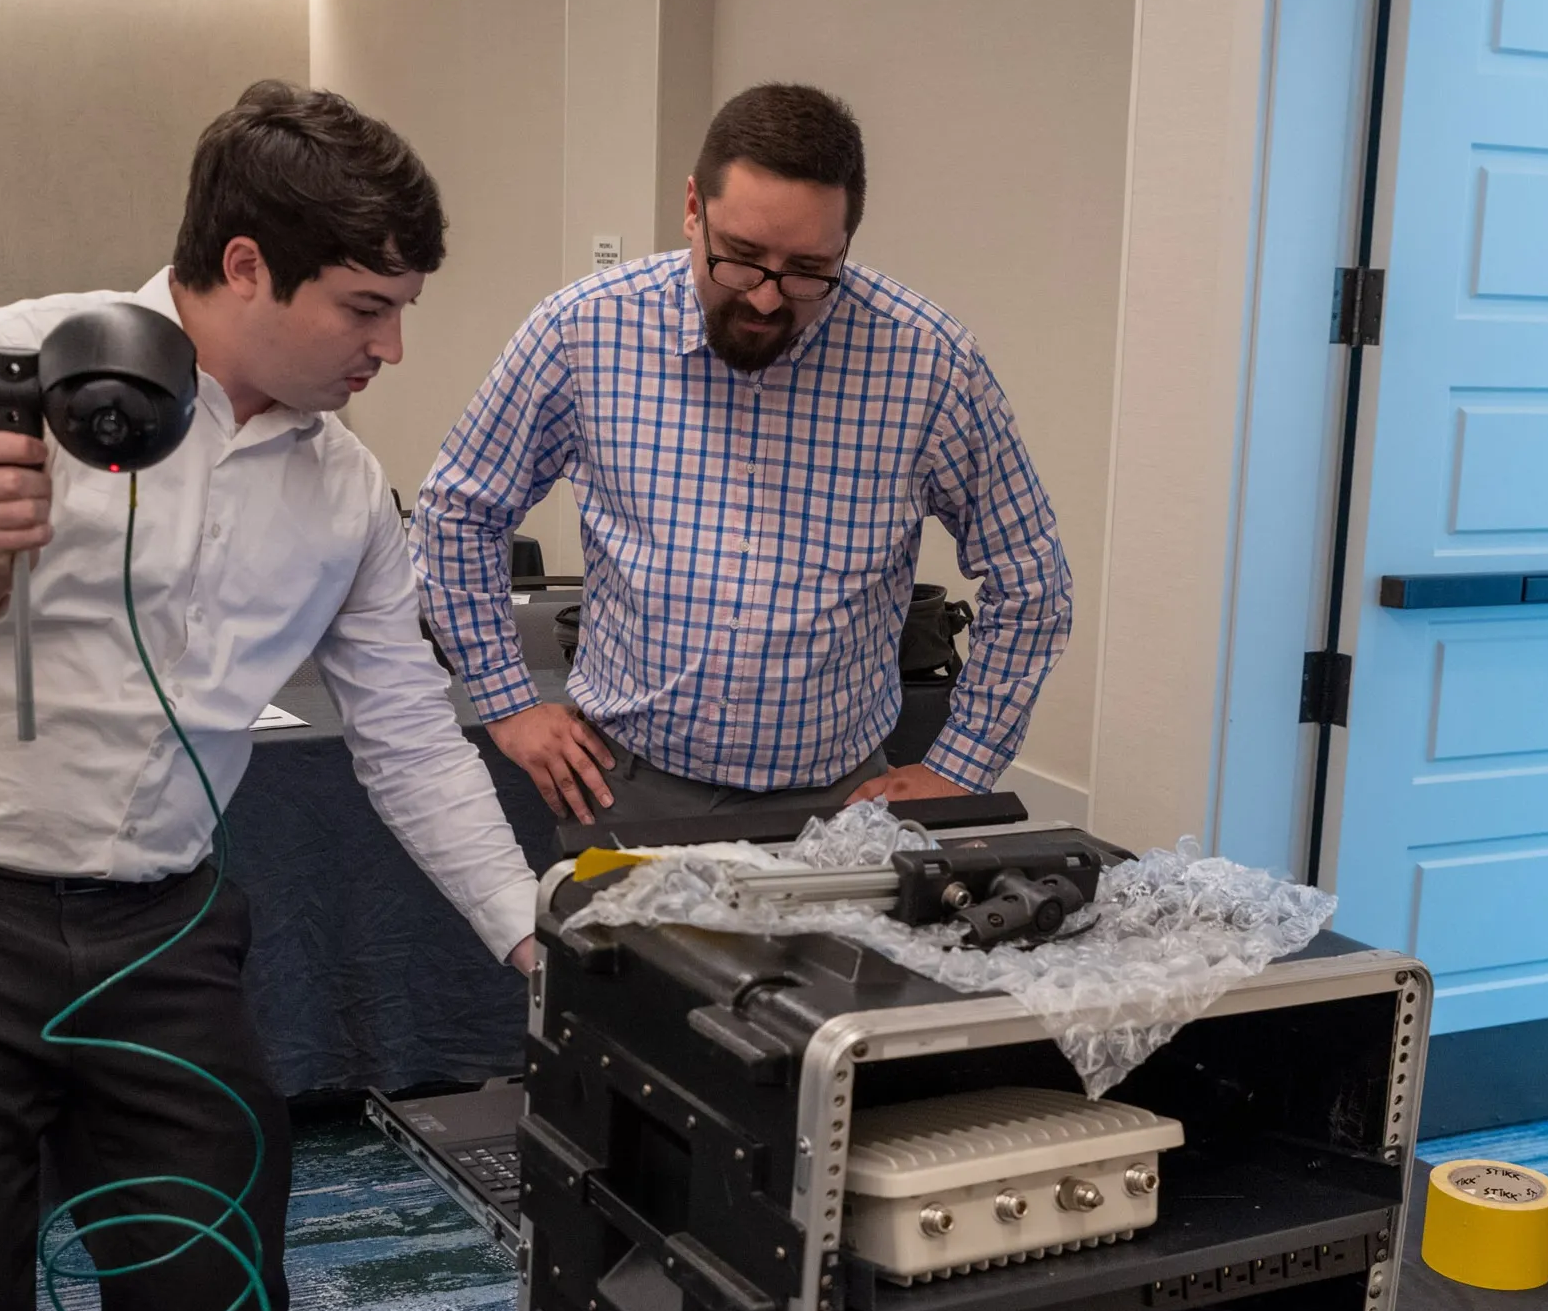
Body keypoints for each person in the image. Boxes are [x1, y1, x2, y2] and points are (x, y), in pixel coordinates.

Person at [0, 81, 536, 1311]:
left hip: (157, 929)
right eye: (366, 308)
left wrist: (531, 936)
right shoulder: (8, 363)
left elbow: (411, 734)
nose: (394, 348)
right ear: (247, 266)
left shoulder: (346, 491)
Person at [412, 83, 1072, 826]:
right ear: (692, 208)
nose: (765, 299)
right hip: (626, 786)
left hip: (838, 804)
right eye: (741, 258)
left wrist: (962, 763)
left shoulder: (927, 363)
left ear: (847, 242)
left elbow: (1032, 580)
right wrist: (506, 705)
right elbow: (457, 515)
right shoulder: (583, 332)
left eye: (806, 271)